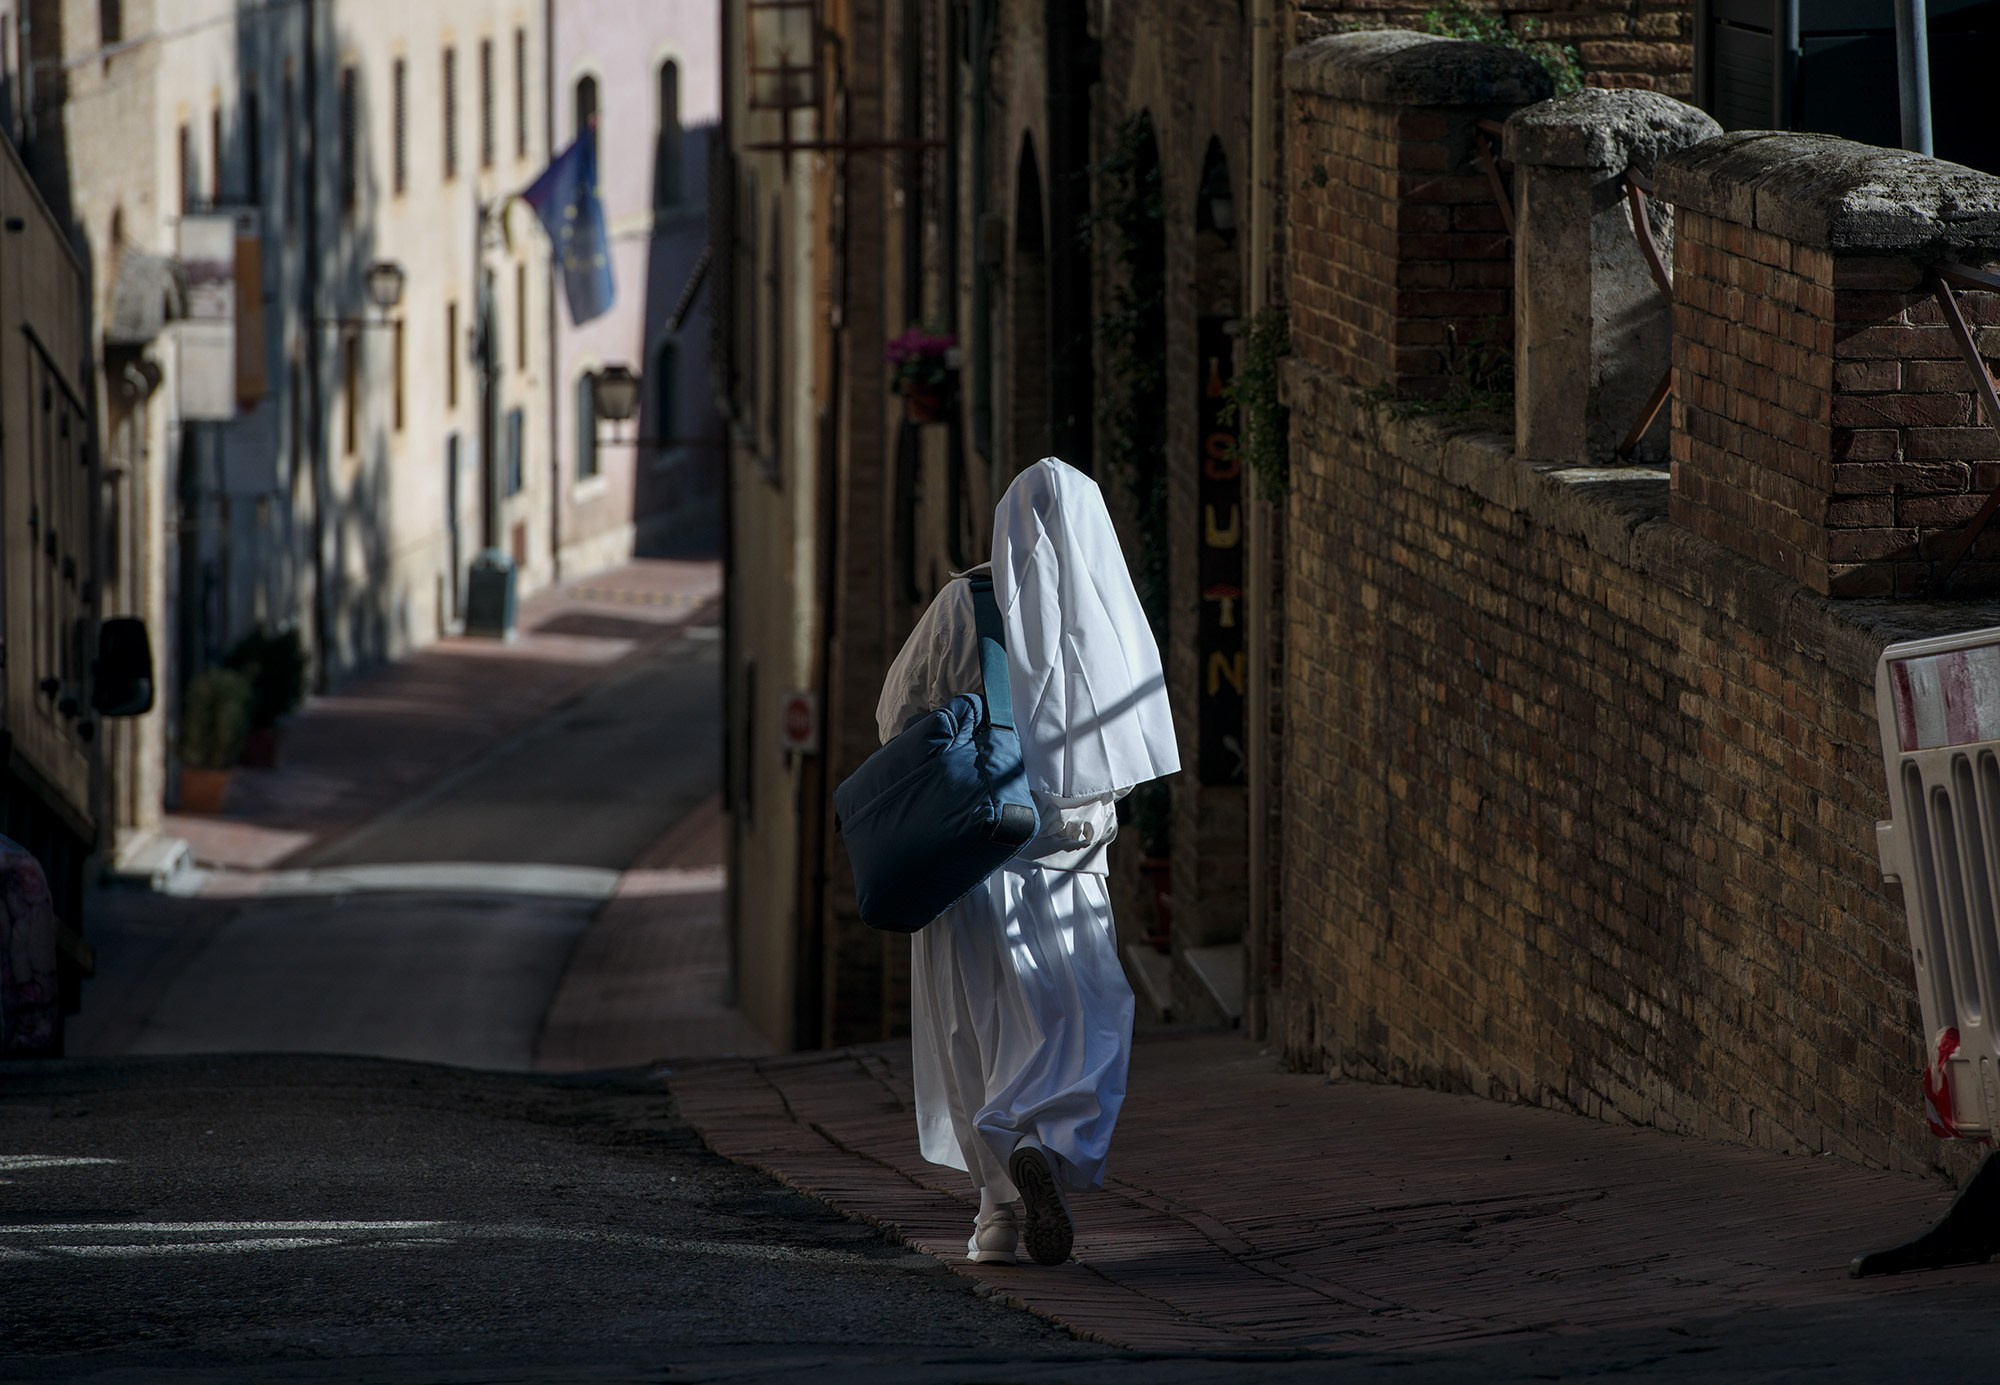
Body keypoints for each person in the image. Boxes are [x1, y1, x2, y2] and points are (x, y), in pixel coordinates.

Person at [873, 456, 1180, 1266]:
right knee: (1075, 1014)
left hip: (974, 858)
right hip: (1071, 862)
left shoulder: (964, 604)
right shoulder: (1104, 613)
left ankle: (999, 1210)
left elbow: (896, 715)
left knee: (976, 1023)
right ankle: (1049, 1137)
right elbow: (1125, 743)